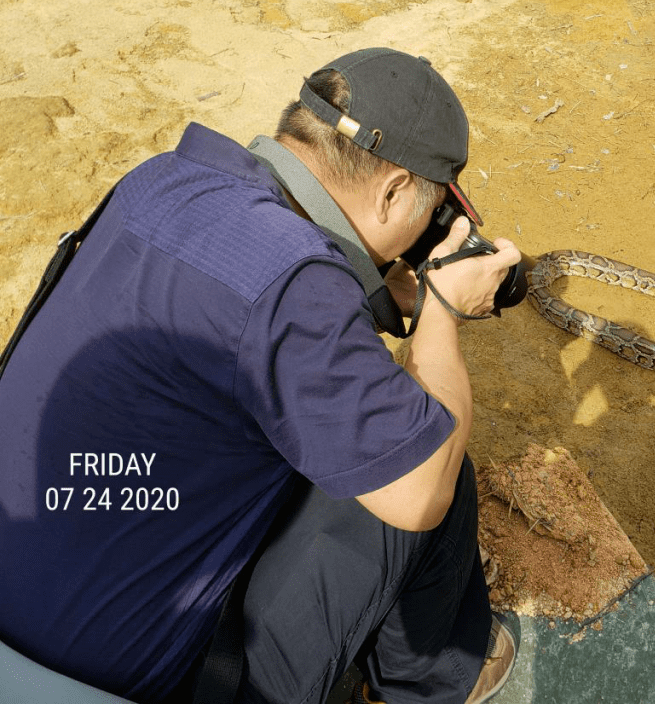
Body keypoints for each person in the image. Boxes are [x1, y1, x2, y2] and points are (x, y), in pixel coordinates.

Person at [0, 47, 521, 704]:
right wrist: (442, 312)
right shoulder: (293, 286)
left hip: (38, 578)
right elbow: (417, 492)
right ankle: (433, 681)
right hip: (113, 683)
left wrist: (376, 293)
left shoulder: (164, 178)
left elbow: (239, 304)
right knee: (430, 448)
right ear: (392, 192)